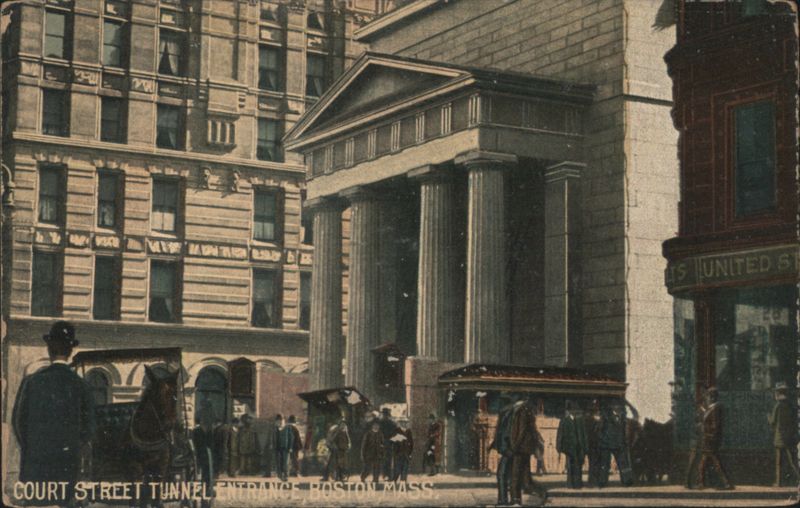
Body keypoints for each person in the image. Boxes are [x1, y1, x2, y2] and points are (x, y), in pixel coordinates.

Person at [12, 321, 96, 508]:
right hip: (68, 471)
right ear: (71, 351)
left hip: (35, 469)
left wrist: (32, 449)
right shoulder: (82, 385)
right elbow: (89, 429)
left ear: (49, 348)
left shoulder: (31, 382)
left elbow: (18, 423)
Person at [685, 387, 732, 490]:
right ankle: (702, 483)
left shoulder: (715, 408)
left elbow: (715, 426)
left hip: (710, 440)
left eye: (708, 396)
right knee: (705, 461)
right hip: (708, 440)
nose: (707, 398)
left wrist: (705, 431)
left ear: (712, 397)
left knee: (714, 461)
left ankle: (725, 483)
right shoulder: (711, 408)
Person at [510, 399, 547, 505]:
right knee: (525, 474)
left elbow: (521, 430)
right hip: (527, 448)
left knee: (516, 475)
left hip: (520, 448)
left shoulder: (521, 411)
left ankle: (515, 499)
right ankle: (537, 494)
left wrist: (515, 446)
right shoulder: (528, 410)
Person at [769, 382, 799, 486]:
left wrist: (768, 417)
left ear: (778, 394)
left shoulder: (777, 406)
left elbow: (772, 421)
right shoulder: (791, 405)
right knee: (793, 460)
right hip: (790, 436)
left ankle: (778, 482)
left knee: (779, 462)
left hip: (779, 437)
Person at [598, 400, 633, 487]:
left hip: (619, 444)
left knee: (623, 464)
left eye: (619, 407)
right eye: (616, 407)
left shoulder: (622, 417)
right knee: (605, 464)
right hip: (607, 444)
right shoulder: (606, 416)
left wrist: (624, 441)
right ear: (612, 408)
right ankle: (603, 482)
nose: (617, 409)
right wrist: (603, 440)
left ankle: (626, 481)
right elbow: (600, 430)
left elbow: (624, 430)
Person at [489, 398, 515, 505]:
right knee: (503, 474)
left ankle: (503, 500)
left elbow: (508, 433)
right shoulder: (505, 415)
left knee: (502, 474)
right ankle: (503, 500)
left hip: (509, 450)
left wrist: (508, 448)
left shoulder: (511, 416)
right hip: (505, 449)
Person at [557, 400, 588, 489]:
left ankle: (578, 484)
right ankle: (570, 484)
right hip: (569, 448)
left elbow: (584, 435)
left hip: (579, 448)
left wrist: (585, 447)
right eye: (573, 410)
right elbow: (560, 435)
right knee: (570, 466)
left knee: (578, 466)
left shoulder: (580, 421)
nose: (575, 412)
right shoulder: (564, 421)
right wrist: (559, 447)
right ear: (569, 411)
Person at [585, 400, 603, 487]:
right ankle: (593, 481)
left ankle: (594, 480)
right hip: (593, 445)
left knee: (596, 463)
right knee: (593, 463)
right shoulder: (590, 420)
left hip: (596, 445)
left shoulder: (598, 420)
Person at [378, 407, 398, 480]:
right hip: (389, 443)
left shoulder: (380, 423)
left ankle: (385, 475)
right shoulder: (392, 423)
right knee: (388, 460)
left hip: (383, 443)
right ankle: (388, 475)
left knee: (384, 460)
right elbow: (395, 433)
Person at [273, 414, 294, 481]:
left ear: (284, 421)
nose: (280, 422)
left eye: (281, 421)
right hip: (278, 448)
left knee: (285, 462)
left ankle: (286, 475)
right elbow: (273, 438)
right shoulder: (275, 429)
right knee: (279, 462)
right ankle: (280, 475)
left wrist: (290, 447)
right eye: (278, 421)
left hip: (286, 448)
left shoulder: (288, 428)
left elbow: (291, 438)